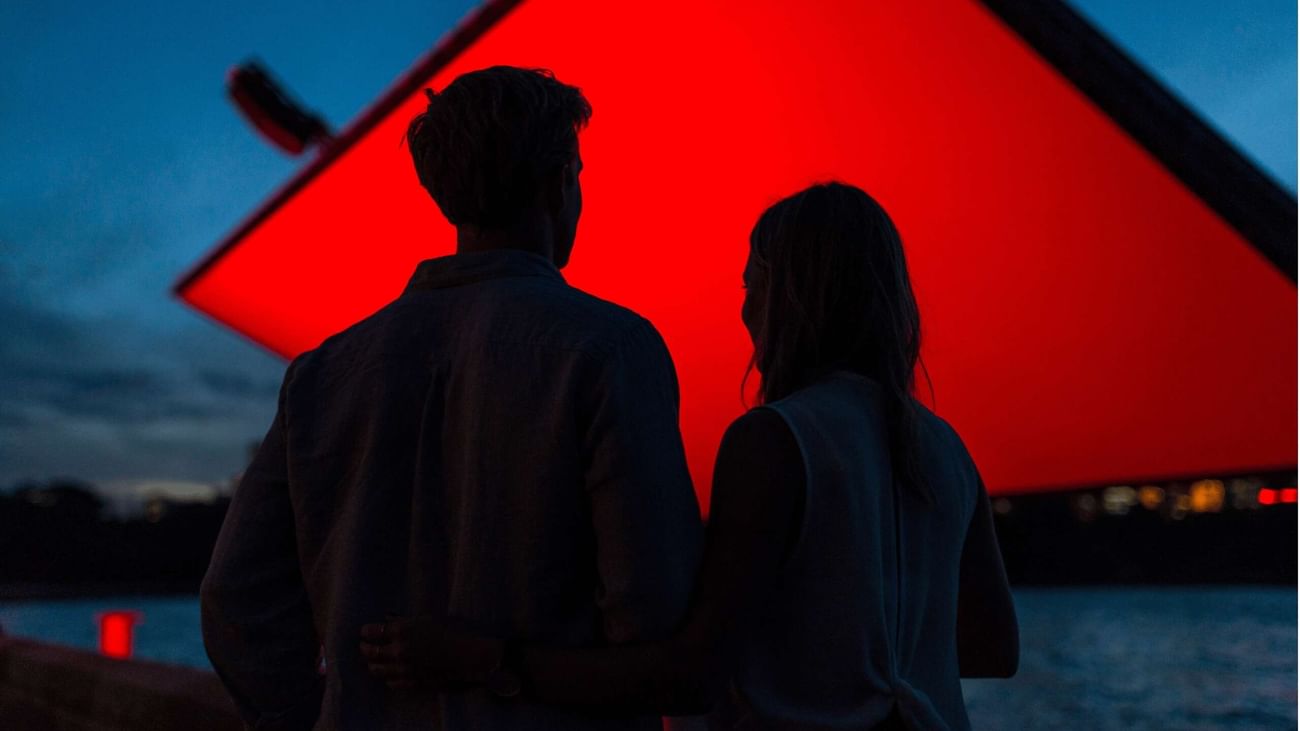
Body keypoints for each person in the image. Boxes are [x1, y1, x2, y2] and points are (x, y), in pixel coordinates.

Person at [360, 182, 1020, 730]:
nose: (745, 310)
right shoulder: (946, 450)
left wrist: (478, 658)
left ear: (788, 296)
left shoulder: (777, 440)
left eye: (750, 284)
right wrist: (875, 645)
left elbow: (689, 674)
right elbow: (995, 645)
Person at [200, 66, 703, 731]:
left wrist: (321, 713)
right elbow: (655, 611)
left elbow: (235, 598)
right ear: (558, 182)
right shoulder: (612, 349)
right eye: (577, 173)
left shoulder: (322, 374)